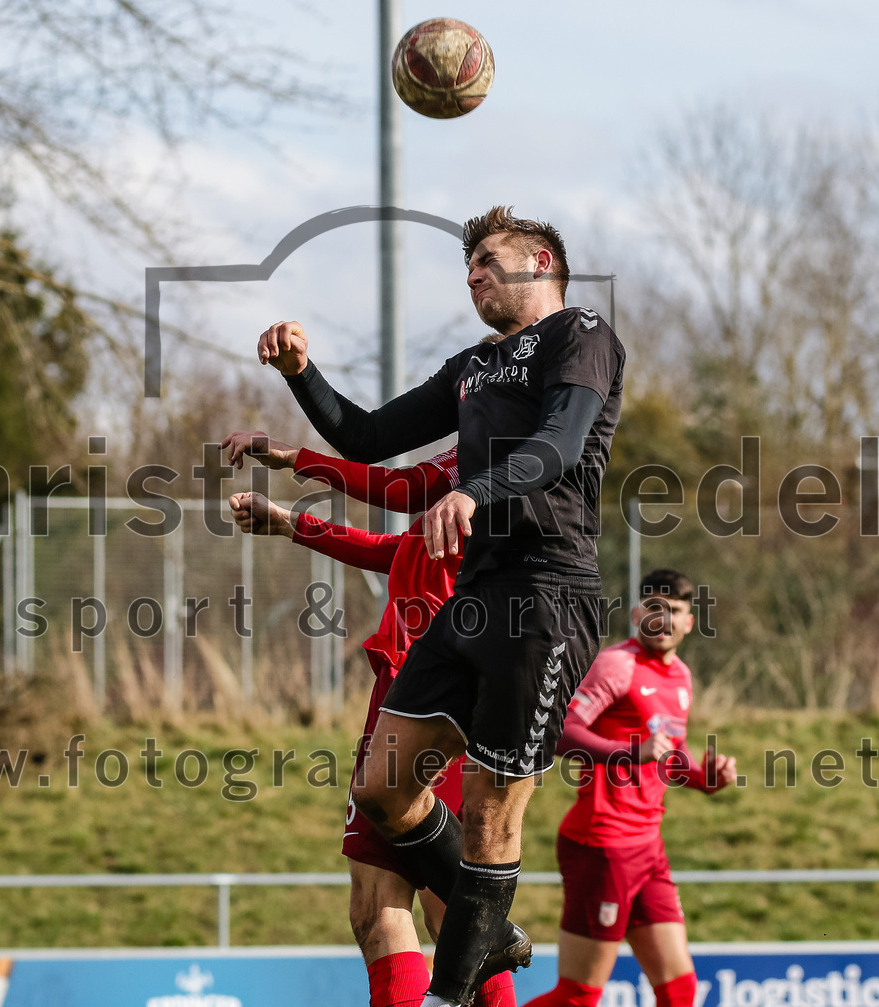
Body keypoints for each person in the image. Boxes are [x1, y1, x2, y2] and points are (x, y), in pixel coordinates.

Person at [255, 206, 627, 1007]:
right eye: (468, 267)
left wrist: (474, 491)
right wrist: (301, 373)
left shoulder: (581, 332)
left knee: (493, 813)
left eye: (488, 261)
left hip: (547, 598)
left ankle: (445, 995)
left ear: (539, 260)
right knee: (381, 790)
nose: (473, 276)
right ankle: (488, 924)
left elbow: (559, 443)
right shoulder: (472, 364)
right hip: (473, 600)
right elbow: (368, 435)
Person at [221, 430, 517, 1007]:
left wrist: (296, 459)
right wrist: (290, 521)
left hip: (437, 703)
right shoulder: (473, 453)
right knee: (376, 904)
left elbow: (394, 487)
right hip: (405, 693)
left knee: (451, 911)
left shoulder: (507, 467)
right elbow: (396, 546)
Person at [522, 569, 737, 1007]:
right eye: (655, 608)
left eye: (675, 610)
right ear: (639, 613)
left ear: (689, 622)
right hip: (601, 844)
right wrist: (628, 752)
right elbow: (559, 733)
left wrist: (704, 779)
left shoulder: (680, 676)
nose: (664, 618)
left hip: (647, 847)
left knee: (679, 990)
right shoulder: (616, 666)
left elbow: (669, 755)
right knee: (577, 997)